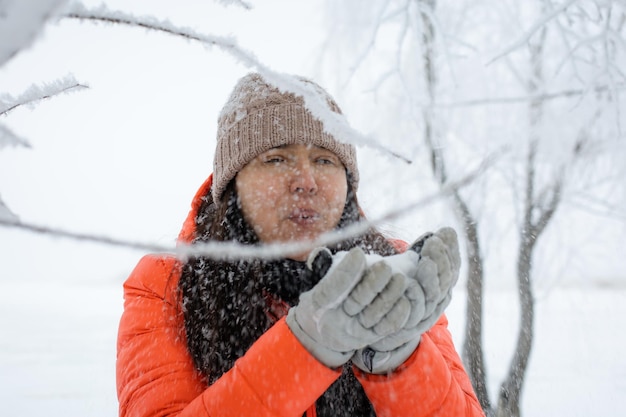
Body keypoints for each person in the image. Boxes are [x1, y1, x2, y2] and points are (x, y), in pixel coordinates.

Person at [116, 72, 484, 417]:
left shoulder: (393, 274)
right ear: (233, 187)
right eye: (276, 158)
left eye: (324, 160)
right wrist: (307, 346)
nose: (306, 181)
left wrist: (400, 358)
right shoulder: (166, 284)